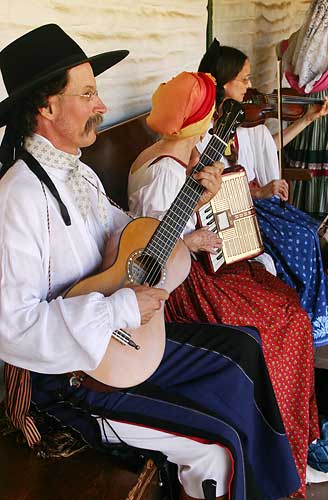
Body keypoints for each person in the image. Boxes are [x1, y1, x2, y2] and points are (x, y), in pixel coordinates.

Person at [0, 25, 300, 500]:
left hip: (114, 341)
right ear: (46, 107)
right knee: (218, 442)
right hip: (67, 380)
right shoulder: (16, 198)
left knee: (244, 347)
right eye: (88, 93)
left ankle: (277, 487)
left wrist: (190, 200)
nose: (101, 105)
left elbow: (130, 233)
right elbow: (11, 328)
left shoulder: (77, 173)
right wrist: (119, 309)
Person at [128, 71, 318, 498]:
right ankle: (282, 447)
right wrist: (194, 236)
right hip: (177, 289)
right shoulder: (162, 172)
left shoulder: (176, 156)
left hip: (193, 269)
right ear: (195, 119)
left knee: (282, 296)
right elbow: (151, 251)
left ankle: (291, 441)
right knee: (285, 320)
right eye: (209, 112)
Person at [198, 39, 328, 349]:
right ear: (222, 83)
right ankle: (303, 318)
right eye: (244, 79)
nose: (250, 86)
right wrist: (259, 193)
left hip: (255, 204)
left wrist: (307, 118)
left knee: (310, 230)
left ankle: (312, 316)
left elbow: (266, 148)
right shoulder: (206, 129)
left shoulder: (245, 123)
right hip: (235, 214)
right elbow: (215, 189)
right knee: (300, 237)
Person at [279, 0, 328, 216]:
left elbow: (288, 57)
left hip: (304, 118)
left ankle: (303, 213)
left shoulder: (298, 41)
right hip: (321, 116)